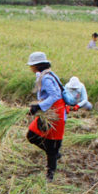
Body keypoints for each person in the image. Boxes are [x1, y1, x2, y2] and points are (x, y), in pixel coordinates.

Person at [25, 52, 67, 182]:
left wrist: (38, 107)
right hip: (49, 110)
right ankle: (54, 154)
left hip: (55, 113)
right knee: (32, 135)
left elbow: (55, 95)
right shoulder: (47, 74)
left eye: (31, 65)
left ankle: (50, 175)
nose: (30, 68)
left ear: (37, 65)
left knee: (50, 144)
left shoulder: (46, 78)